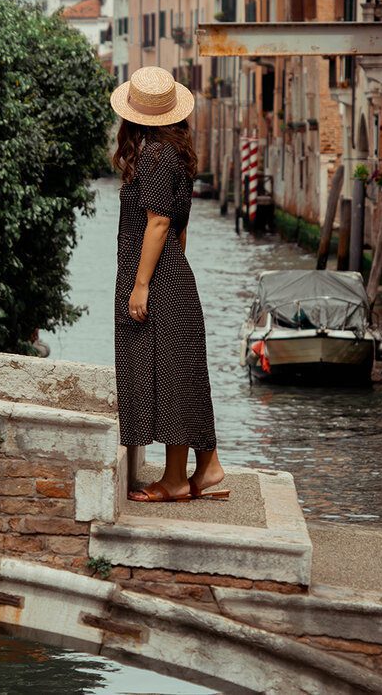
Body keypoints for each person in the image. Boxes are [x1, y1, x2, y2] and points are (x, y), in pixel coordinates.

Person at [110, 65, 229, 502]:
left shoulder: (157, 156)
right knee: (176, 375)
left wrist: (141, 285)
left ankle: (183, 477)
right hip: (172, 274)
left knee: (170, 374)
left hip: (157, 278)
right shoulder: (176, 153)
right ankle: (197, 470)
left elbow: (159, 223)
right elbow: (181, 230)